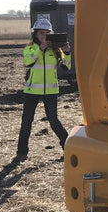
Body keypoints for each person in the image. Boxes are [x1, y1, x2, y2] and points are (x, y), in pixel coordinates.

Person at [16, 18, 71, 159]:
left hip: (51, 91)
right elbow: (28, 62)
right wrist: (40, 50)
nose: (44, 36)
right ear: (35, 34)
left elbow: (66, 67)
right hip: (31, 92)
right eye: (41, 33)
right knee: (26, 122)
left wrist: (67, 53)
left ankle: (69, 148)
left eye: (47, 33)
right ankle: (21, 153)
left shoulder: (56, 51)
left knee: (54, 121)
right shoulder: (30, 49)